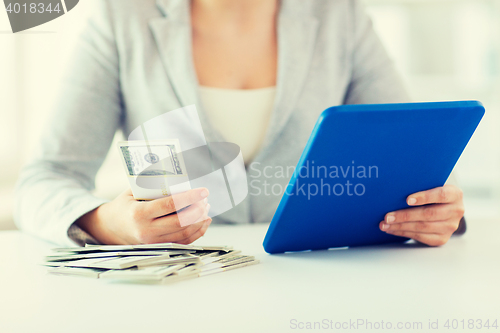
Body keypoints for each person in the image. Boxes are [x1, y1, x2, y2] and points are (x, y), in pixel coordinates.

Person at [14, 0, 465, 247]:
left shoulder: (340, 15)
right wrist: (110, 223)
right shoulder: (122, 18)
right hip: (178, 291)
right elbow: (44, 180)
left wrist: (435, 211)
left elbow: (410, 157)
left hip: (318, 287)